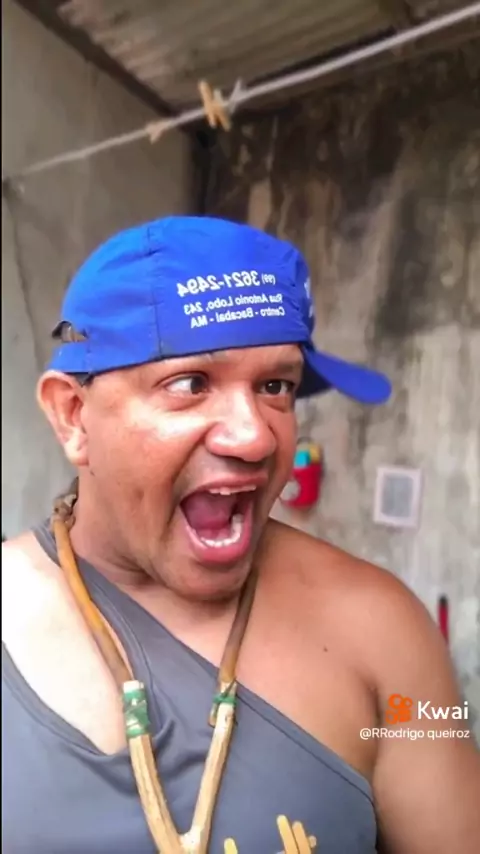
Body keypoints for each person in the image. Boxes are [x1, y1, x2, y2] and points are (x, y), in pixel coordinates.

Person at [2, 216, 479, 854]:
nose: (255, 436)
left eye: (275, 386)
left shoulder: (386, 631)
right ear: (73, 416)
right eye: (190, 384)